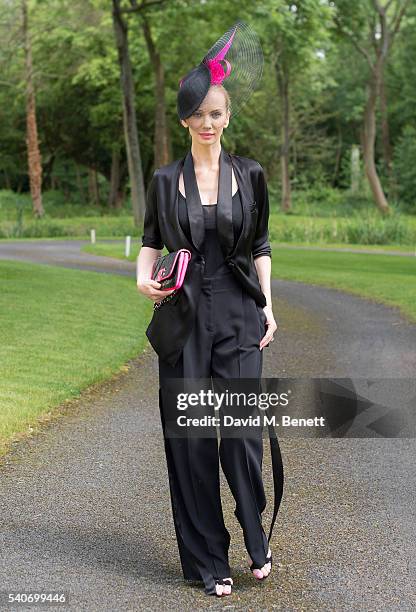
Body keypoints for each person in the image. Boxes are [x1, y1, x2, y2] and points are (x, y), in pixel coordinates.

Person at [136, 21, 284, 597]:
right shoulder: (163, 180)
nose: (207, 123)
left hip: (240, 312)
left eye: (216, 113)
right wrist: (142, 280)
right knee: (192, 438)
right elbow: (151, 241)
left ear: (227, 118)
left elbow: (263, 244)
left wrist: (268, 304)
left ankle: (254, 538)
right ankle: (206, 560)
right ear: (183, 120)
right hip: (185, 316)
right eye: (197, 114)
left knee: (242, 431)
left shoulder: (250, 176)